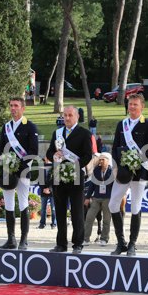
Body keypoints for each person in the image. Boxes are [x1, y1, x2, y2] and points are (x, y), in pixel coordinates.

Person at [109, 93, 148, 256]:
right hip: (122, 171)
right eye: (130, 104)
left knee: (135, 206)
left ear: (142, 106)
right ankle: (121, 242)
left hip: (140, 172)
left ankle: (132, 244)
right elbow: (115, 147)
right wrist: (115, 166)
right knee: (113, 204)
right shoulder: (121, 124)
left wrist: (143, 161)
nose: (132, 107)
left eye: (135, 104)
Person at [46, 106, 93, 254]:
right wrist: (54, 155)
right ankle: (61, 244)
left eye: (70, 115)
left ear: (77, 116)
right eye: (65, 115)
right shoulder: (57, 133)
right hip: (58, 175)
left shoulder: (84, 133)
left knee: (77, 211)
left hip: (76, 176)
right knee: (59, 210)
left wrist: (75, 166)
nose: (67, 118)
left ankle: (78, 243)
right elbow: (49, 152)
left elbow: (88, 156)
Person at [0, 97, 39, 250]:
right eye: (11, 105)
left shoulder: (30, 127)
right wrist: (0, 159)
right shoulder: (6, 127)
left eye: (16, 105)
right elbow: (1, 148)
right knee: (8, 204)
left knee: (23, 203)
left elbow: (33, 151)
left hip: (23, 170)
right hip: (7, 171)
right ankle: (11, 239)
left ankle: (23, 240)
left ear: (23, 108)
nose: (13, 108)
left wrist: (17, 164)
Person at [84, 153, 113, 246]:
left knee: (106, 220)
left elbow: (114, 187)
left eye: (103, 159)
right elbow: (92, 185)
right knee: (89, 217)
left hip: (108, 198)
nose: (100, 161)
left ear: (108, 161)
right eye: (100, 159)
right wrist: (87, 197)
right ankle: (86, 239)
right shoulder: (96, 170)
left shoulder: (112, 171)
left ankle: (104, 239)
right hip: (96, 197)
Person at [37, 164, 56, 230]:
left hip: (53, 191)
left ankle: (54, 224)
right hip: (43, 191)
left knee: (53, 209)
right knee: (43, 209)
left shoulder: (55, 167)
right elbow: (39, 181)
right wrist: (43, 189)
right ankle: (42, 224)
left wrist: (49, 189)